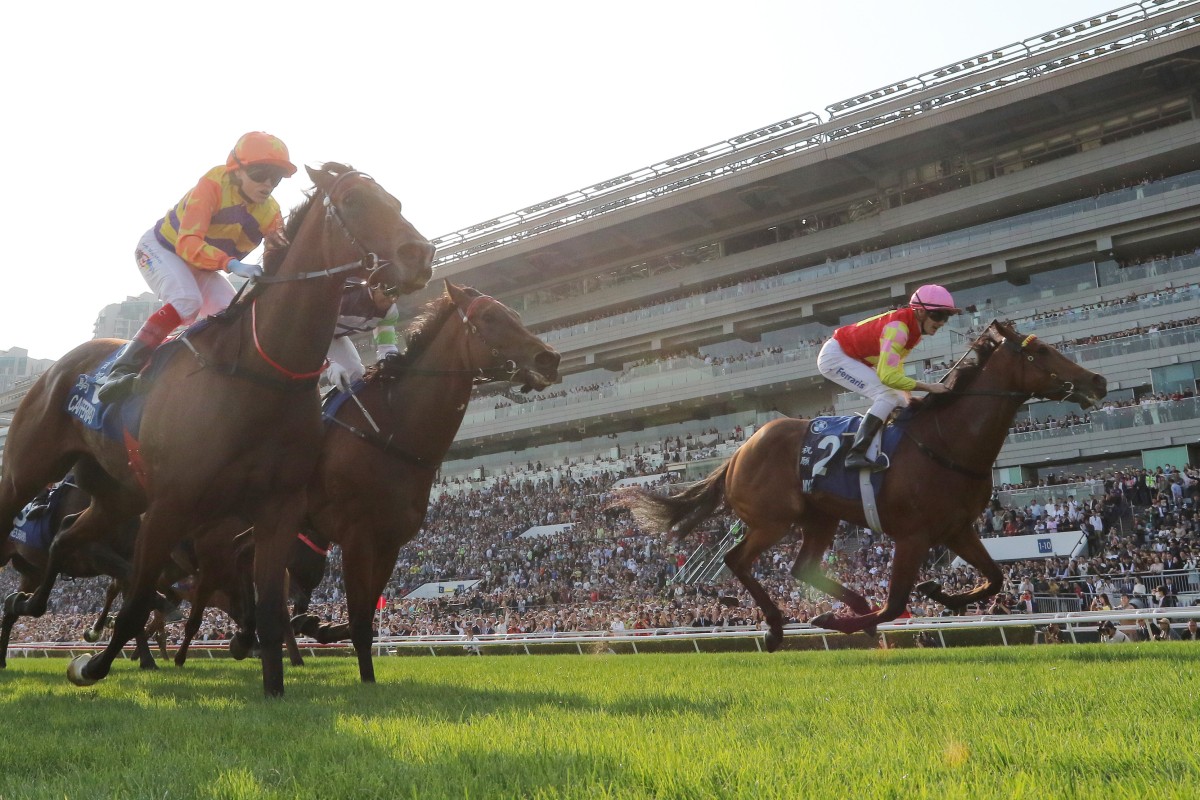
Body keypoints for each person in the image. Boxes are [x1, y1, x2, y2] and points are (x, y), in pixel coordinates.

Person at [99, 132, 297, 402]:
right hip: (162, 249)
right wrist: (232, 264)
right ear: (236, 170)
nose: (267, 184)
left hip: (202, 266)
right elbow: (188, 244)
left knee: (236, 318)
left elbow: (284, 254)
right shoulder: (212, 184)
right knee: (186, 300)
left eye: (275, 178)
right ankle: (121, 370)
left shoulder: (271, 212)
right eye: (260, 173)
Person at [816, 284, 960, 471]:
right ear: (920, 312)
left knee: (900, 401)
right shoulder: (899, 329)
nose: (942, 322)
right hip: (835, 358)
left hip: (850, 357)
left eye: (946, 317)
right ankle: (855, 453)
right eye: (938, 315)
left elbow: (896, 367)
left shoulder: (912, 331)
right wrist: (929, 387)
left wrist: (907, 398)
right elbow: (887, 376)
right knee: (887, 395)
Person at [321, 280, 401, 392]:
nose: (388, 301)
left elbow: (387, 347)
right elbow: (309, 329)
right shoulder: (346, 299)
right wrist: (328, 364)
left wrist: (390, 368)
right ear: (375, 287)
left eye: (394, 297)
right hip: (308, 334)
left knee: (355, 373)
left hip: (332, 335)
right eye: (386, 294)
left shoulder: (390, 312)